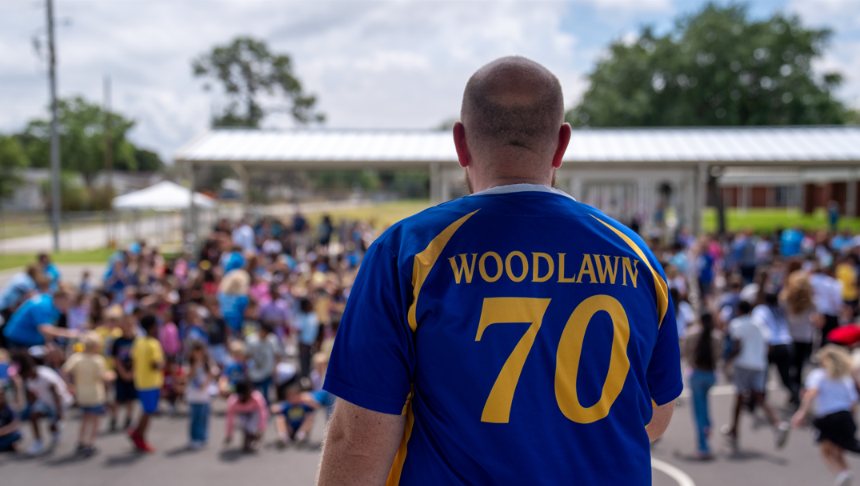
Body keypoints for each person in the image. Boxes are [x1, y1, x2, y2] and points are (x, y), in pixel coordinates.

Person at [318, 57, 682, 485]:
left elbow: (359, 439)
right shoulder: (635, 256)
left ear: (460, 144)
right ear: (562, 144)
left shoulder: (407, 252)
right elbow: (655, 416)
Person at [724, 300, 791, 450]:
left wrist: (726, 360)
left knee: (740, 397)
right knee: (759, 397)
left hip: (743, 364)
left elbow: (737, 346)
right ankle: (777, 423)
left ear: (739, 310)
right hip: (759, 365)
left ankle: (734, 430)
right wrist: (760, 357)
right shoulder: (760, 324)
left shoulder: (737, 324)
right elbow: (769, 344)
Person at [792, 345, 860, 486]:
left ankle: (843, 474)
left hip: (828, 418)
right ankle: (845, 474)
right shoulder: (845, 378)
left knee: (826, 452)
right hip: (845, 417)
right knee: (839, 450)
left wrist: (801, 413)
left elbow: (811, 393)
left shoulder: (818, 375)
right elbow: (852, 403)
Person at [61, 331, 114, 457]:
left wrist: (69, 385)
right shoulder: (97, 360)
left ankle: (80, 441)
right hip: (95, 394)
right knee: (95, 419)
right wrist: (111, 375)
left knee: (85, 418)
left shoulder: (77, 358)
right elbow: (103, 377)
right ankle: (90, 443)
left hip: (81, 393)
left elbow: (64, 371)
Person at [16, 352, 73, 455]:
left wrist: (59, 415)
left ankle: (56, 428)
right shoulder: (29, 378)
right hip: (46, 400)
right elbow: (32, 394)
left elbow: (57, 398)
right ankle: (38, 442)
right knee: (34, 416)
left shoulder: (46, 377)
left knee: (52, 425)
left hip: (60, 402)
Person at [683, 313, 722, 459]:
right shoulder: (717, 336)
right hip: (711, 375)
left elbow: (684, 353)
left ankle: (703, 446)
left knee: (698, 411)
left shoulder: (693, 334)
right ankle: (708, 426)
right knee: (705, 404)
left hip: (697, 375)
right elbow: (719, 355)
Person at [129, 314, 165, 453]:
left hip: (141, 381)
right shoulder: (153, 343)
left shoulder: (138, 341)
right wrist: (163, 363)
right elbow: (156, 364)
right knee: (148, 411)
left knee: (145, 409)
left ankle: (136, 431)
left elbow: (134, 358)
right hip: (151, 383)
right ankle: (140, 436)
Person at [2, 290, 76, 350]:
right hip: (18, 339)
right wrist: (70, 333)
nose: (70, 305)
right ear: (62, 299)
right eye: (69, 302)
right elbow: (43, 328)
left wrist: (49, 343)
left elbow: (50, 327)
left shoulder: (55, 307)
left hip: (30, 341)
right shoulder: (43, 305)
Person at [186, 341, 218, 449]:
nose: (199, 354)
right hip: (193, 395)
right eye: (196, 351)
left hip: (205, 395)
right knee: (195, 417)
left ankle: (203, 436)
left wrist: (206, 382)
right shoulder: (189, 363)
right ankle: (194, 438)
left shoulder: (208, 362)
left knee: (204, 417)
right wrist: (196, 364)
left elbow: (214, 373)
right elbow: (188, 376)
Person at [224, 380, 268, 453]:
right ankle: (249, 440)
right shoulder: (233, 402)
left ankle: (253, 438)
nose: (251, 393)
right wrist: (229, 434)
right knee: (244, 426)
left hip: (254, 414)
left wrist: (261, 428)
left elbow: (263, 413)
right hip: (242, 415)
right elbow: (230, 419)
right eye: (248, 391)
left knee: (251, 427)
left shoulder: (257, 398)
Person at [111, 313, 137, 432]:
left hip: (132, 374)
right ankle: (114, 419)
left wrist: (132, 372)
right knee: (117, 399)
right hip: (120, 375)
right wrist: (122, 373)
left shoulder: (137, 340)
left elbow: (138, 359)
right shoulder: (117, 342)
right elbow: (115, 358)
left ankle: (128, 419)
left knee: (130, 399)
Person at [273, 382, 317, 447]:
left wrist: (309, 401)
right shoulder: (286, 405)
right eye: (290, 396)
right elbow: (273, 409)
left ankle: (301, 436)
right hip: (290, 429)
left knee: (310, 416)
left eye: (295, 395)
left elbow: (316, 407)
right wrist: (275, 408)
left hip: (301, 428)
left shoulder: (304, 405)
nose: (293, 398)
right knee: (280, 417)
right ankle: (283, 436)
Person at [245, 322, 279, 404]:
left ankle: (266, 413)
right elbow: (246, 356)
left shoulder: (272, 340)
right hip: (254, 372)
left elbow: (277, 354)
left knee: (266, 394)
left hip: (267, 371)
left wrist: (275, 367)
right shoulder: (250, 340)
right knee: (253, 394)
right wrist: (246, 368)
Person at [296, 298, 319, 378]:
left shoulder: (313, 315)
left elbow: (316, 329)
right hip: (304, 343)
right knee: (304, 362)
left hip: (312, 343)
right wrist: (301, 343)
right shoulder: (301, 316)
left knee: (312, 362)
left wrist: (315, 341)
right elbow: (299, 331)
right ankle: (304, 379)